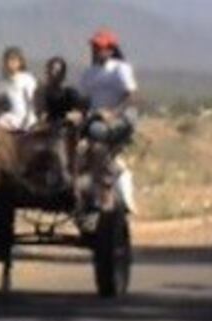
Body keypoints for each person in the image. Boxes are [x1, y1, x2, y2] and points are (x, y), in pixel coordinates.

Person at [78, 29, 139, 213]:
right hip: (96, 118)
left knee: (98, 143)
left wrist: (113, 113)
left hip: (119, 118)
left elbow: (132, 95)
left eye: (100, 47)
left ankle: (107, 187)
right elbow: (84, 100)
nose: (96, 51)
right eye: (95, 47)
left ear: (110, 50)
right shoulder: (89, 73)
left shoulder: (120, 69)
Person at [0, 46, 37, 131]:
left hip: (25, 120)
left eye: (13, 60)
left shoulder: (27, 79)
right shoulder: (1, 83)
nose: (9, 63)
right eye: (7, 60)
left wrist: (27, 123)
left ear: (20, 62)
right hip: (7, 119)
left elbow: (31, 103)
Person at [36, 56, 89, 124]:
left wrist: (81, 113)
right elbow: (43, 116)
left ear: (63, 74)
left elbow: (82, 108)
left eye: (58, 72)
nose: (55, 74)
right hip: (49, 130)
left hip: (68, 130)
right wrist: (65, 116)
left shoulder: (69, 92)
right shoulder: (41, 92)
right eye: (52, 71)